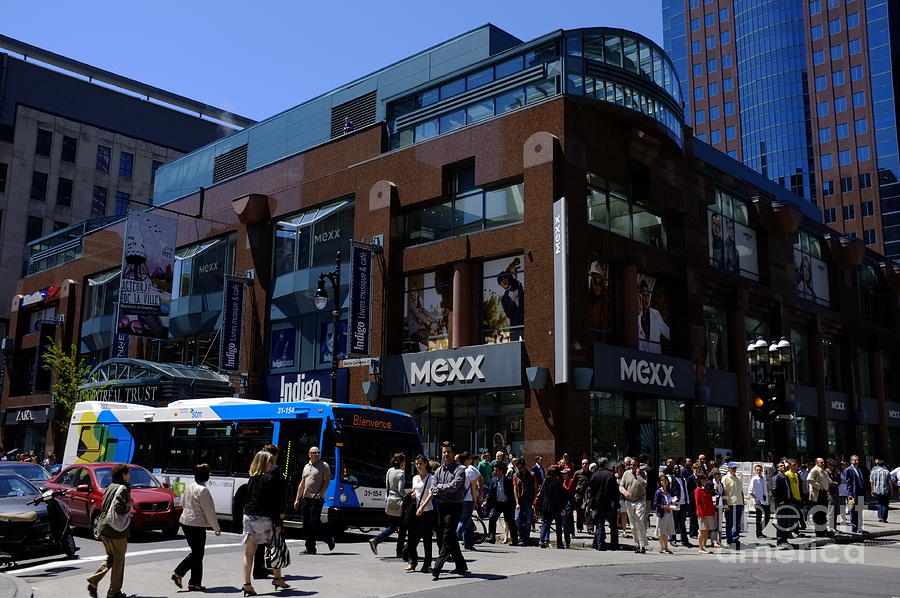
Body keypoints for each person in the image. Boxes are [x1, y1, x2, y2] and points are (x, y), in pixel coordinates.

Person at [241, 451, 290, 596]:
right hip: (264, 518)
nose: (272, 464)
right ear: (265, 462)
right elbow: (274, 503)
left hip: (249, 516)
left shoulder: (252, 478)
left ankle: (247, 584)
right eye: (270, 461)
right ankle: (277, 578)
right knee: (275, 547)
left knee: (249, 552)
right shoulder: (269, 479)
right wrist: (277, 523)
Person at [172, 463, 222, 591]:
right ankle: (180, 573)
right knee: (198, 553)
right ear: (206, 475)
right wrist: (216, 527)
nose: (210, 474)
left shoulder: (191, 487)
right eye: (209, 472)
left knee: (197, 553)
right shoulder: (203, 490)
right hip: (196, 524)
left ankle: (194, 583)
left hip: (186, 522)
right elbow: (209, 510)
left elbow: (183, 503)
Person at [87, 464, 133, 598]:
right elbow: (119, 507)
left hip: (104, 528)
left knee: (111, 557)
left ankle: (94, 580)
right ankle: (114, 592)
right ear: (123, 475)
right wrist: (129, 505)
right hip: (116, 531)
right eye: (128, 473)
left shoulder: (110, 487)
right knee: (119, 560)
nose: (129, 475)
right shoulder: (123, 488)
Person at [429, 441, 468, 580]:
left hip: (454, 507)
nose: (446, 454)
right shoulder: (439, 470)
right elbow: (432, 488)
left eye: (448, 452)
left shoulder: (459, 470)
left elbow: (455, 486)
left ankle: (437, 566)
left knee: (447, 535)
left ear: (453, 453)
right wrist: (441, 488)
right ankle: (461, 565)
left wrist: (440, 487)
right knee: (448, 536)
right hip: (441, 506)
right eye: (444, 452)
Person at [293, 445, 335, 555]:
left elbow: (327, 481)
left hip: (317, 498)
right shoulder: (306, 466)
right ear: (309, 454)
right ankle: (310, 548)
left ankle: (328, 538)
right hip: (306, 498)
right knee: (306, 524)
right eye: (314, 452)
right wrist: (297, 499)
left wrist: (321, 493)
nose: (317, 454)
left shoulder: (323, 466)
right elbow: (302, 483)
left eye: (318, 452)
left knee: (314, 522)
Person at [369, 453, 408, 558]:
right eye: (404, 461)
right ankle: (399, 550)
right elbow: (400, 489)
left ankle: (376, 540)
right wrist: (407, 497)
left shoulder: (389, 471)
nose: (405, 463)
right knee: (403, 527)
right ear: (401, 462)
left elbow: (387, 487)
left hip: (390, 500)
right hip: (398, 503)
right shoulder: (401, 473)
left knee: (392, 526)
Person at [406, 455, 436, 573]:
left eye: (420, 463)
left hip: (427, 511)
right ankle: (412, 561)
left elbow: (431, 494)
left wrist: (423, 507)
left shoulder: (431, 478)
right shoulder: (415, 478)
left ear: (425, 464)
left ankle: (427, 564)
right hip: (415, 511)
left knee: (427, 539)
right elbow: (415, 492)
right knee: (411, 538)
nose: (418, 466)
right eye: (417, 464)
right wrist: (412, 495)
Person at [588, 458, 619, 551]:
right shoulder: (610, 475)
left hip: (598, 503)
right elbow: (615, 491)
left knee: (600, 524)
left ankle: (600, 544)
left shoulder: (594, 475)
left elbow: (591, 490)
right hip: (609, 504)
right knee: (613, 525)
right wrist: (616, 503)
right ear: (605, 464)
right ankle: (614, 544)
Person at [483, 463, 518, 545]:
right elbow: (490, 492)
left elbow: (513, 492)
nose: (494, 472)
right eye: (494, 470)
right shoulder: (493, 480)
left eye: (496, 471)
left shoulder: (508, 480)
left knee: (510, 521)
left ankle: (514, 540)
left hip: (507, 504)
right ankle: (491, 538)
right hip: (497, 504)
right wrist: (486, 501)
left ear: (501, 471)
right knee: (492, 518)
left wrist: (514, 502)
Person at [621, 459, 648, 553]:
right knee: (632, 525)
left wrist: (638, 475)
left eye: (634, 465)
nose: (632, 467)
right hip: (629, 501)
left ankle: (643, 545)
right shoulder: (626, 473)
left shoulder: (643, 473)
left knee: (639, 522)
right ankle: (636, 545)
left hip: (640, 500)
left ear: (638, 466)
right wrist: (625, 493)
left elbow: (644, 484)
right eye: (631, 465)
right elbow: (621, 486)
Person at [637, 278, 669, 354]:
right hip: (643, 360)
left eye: (648, 295)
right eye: (644, 295)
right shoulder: (637, 319)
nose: (646, 299)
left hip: (657, 359)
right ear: (639, 297)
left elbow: (666, 331)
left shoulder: (656, 314)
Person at [456, 452, 481, 550]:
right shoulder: (470, 471)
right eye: (469, 459)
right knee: (464, 520)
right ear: (466, 460)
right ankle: (452, 538)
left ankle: (468, 544)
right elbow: (473, 489)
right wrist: (475, 500)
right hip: (467, 499)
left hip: (458, 499)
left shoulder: (456, 470)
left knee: (464, 521)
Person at [538, 465, 565, 549]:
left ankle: (542, 540)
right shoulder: (558, 482)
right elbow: (559, 496)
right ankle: (559, 543)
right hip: (555, 506)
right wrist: (561, 507)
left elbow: (542, 493)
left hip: (546, 505)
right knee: (558, 524)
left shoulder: (545, 481)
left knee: (545, 522)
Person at [773, 461, 797, 549]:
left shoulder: (786, 477)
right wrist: (779, 501)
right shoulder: (776, 478)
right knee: (780, 522)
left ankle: (784, 539)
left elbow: (788, 489)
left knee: (786, 521)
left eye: (783, 466)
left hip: (788, 502)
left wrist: (791, 499)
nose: (783, 467)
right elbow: (774, 491)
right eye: (781, 466)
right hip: (781, 503)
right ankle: (779, 540)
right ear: (778, 468)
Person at [513, 458, 536, 545]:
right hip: (520, 501)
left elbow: (535, 488)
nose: (519, 470)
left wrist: (534, 501)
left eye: (521, 467)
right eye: (518, 468)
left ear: (524, 466)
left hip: (529, 501)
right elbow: (515, 489)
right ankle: (522, 536)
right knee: (517, 519)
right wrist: (517, 503)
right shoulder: (515, 476)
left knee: (528, 521)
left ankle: (525, 539)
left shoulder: (532, 475)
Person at [808, 457, 832, 536]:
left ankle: (824, 530)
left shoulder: (823, 470)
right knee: (818, 513)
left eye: (823, 462)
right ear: (817, 463)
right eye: (821, 462)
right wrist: (819, 487)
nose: (823, 463)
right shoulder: (815, 470)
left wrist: (831, 483)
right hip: (817, 494)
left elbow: (827, 480)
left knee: (823, 512)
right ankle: (819, 531)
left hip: (824, 493)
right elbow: (809, 479)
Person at [722, 462, 744, 549]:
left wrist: (743, 503)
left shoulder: (738, 478)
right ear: (729, 468)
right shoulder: (725, 478)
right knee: (730, 523)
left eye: (735, 468)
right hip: (730, 504)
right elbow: (723, 492)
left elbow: (741, 491)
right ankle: (730, 539)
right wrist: (725, 503)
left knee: (737, 523)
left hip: (738, 503)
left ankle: (736, 538)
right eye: (732, 468)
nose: (734, 469)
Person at [496, 258, 524, 327]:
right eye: (501, 281)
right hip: (516, 327)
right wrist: (513, 298)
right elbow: (508, 314)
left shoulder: (519, 287)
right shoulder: (503, 299)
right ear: (500, 285)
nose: (504, 281)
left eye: (505, 278)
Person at [694, 473, 715, 554]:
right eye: (703, 479)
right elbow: (698, 503)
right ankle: (700, 547)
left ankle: (704, 547)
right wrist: (700, 513)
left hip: (709, 512)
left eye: (706, 479)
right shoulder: (698, 490)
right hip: (702, 513)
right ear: (699, 480)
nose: (705, 480)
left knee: (706, 531)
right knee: (701, 531)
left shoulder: (706, 489)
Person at [654, 475, 675, 554]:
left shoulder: (669, 491)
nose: (664, 482)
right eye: (662, 480)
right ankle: (662, 547)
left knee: (666, 531)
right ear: (660, 482)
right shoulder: (658, 492)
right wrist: (663, 506)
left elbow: (671, 499)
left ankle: (666, 547)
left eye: (665, 480)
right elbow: (656, 504)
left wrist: (673, 503)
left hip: (669, 513)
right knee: (661, 531)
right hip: (661, 513)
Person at [845, 454, 865, 533]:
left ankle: (859, 527)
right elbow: (848, 483)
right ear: (851, 461)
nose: (856, 462)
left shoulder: (859, 469)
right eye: (855, 460)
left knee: (859, 511)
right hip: (853, 493)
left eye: (857, 460)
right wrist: (849, 494)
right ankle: (854, 527)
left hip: (860, 492)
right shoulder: (848, 470)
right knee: (853, 511)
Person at [749, 464, 770, 538]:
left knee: (768, 516)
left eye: (760, 470)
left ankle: (760, 530)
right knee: (759, 517)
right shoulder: (754, 479)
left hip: (765, 501)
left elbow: (765, 490)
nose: (759, 471)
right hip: (758, 501)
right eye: (757, 470)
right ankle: (758, 534)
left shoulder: (763, 478)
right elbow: (750, 491)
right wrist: (756, 499)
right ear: (755, 471)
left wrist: (768, 499)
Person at [870, 458, 892, 523]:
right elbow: (889, 482)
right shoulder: (887, 471)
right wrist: (891, 490)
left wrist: (872, 490)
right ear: (884, 464)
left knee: (879, 503)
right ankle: (884, 518)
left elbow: (872, 481)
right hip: (885, 490)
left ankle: (880, 517)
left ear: (878, 465)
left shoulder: (873, 471)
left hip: (877, 490)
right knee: (885, 504)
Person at [573, 459, 591, 534]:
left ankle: (589, 528)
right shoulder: (577, 473)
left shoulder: (591, 473)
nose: (584, 465)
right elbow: (573, 483)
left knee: (588, 511)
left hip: (588, 495)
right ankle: (579, 527)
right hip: (579, 495)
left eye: (586, 464)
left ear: (588, 464)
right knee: (579, 511)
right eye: (583, 464)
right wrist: (575, 493)